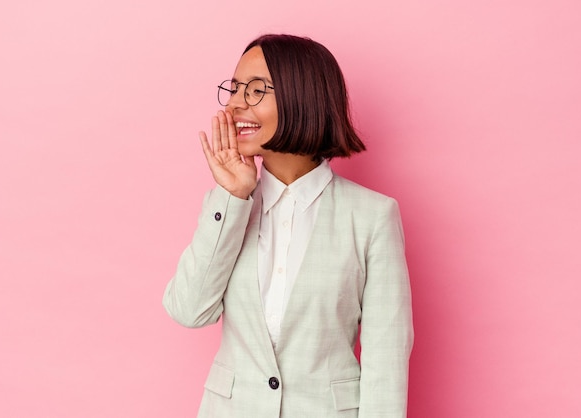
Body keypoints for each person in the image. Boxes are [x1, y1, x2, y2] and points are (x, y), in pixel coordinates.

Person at [163, 34, 413, 418]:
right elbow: (189, 310)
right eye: (234, 89)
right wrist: (232, 198)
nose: (235, 104)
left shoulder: (371, 217)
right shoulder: (227, 207)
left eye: (256, 90)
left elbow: (386, 364)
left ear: (303, 96)